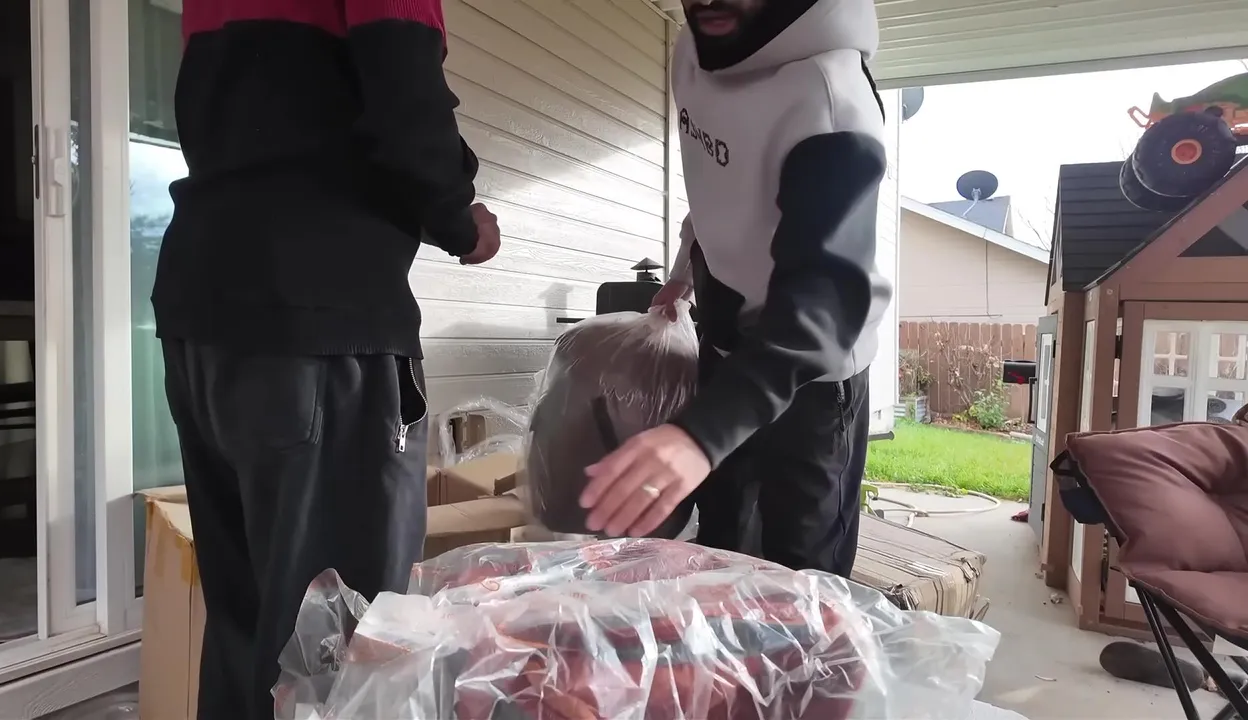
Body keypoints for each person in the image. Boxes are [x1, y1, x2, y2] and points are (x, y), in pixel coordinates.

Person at [152, 1, 499, 717]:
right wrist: (460, 219)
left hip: (204, 312)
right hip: (322, 319)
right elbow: (405, 107)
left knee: (249, 623)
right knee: (341, 639)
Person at [579, 0, 889, 578]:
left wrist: (701, 435)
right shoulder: (693, 50)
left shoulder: (829, 103)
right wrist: (682, 273)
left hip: (812, 368)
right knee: (722, 542)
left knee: (801, 573)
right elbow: (718, 186)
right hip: (728, 342)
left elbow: (821, 302)